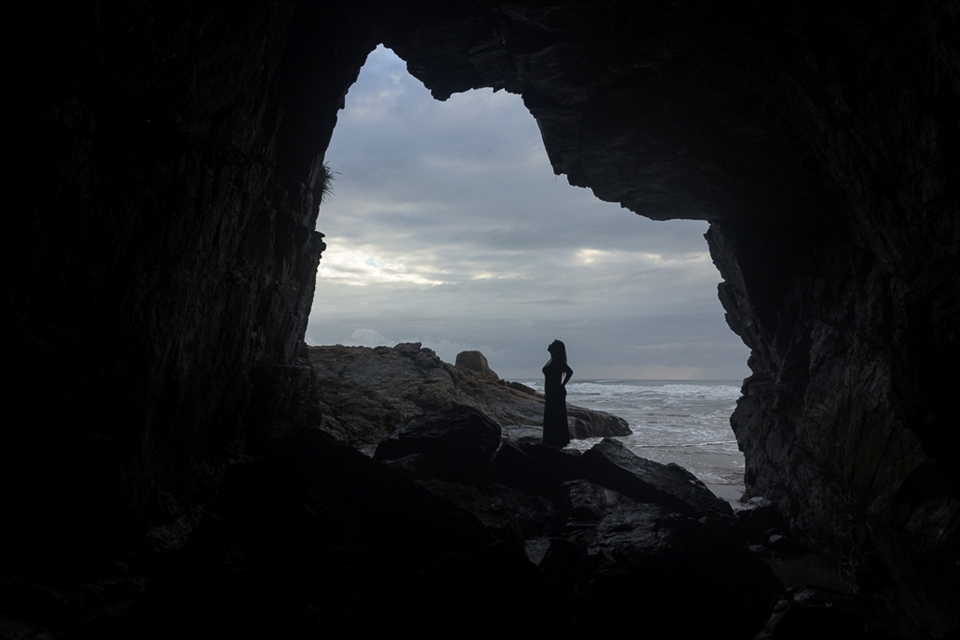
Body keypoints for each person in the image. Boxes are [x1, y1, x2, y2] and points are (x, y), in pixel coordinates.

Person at [542, 340, 573, 447]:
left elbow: (570, 372)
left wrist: (562, 385)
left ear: (555, 349)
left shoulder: (557, 361)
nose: (549, 345)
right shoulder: (552, 360)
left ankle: (557, 441)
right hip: (551, 392)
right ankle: (552, 440)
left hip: (556, 392)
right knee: (551, 416)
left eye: (552, 344)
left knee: (555, 416)